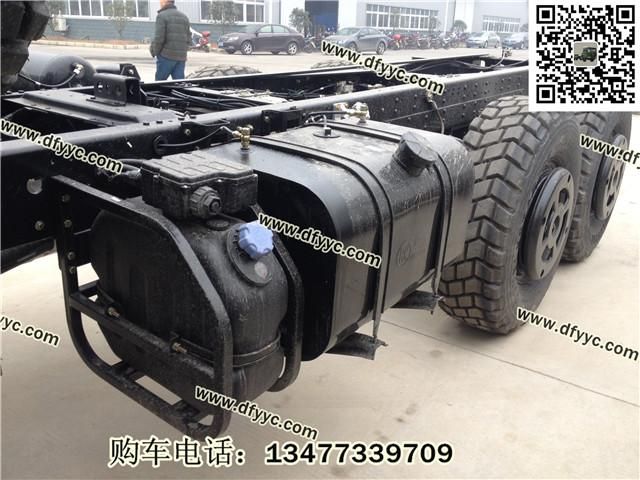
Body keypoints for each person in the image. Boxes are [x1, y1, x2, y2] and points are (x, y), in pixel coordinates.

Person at [149, 0, 190, 80]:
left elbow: (159, 38)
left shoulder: (162, 16)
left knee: (159, 84)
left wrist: (154, 52)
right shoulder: (184, 17)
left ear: (164, 1)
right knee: (180, 84)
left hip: (166, 56)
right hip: (181, 58)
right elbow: (188, 37)